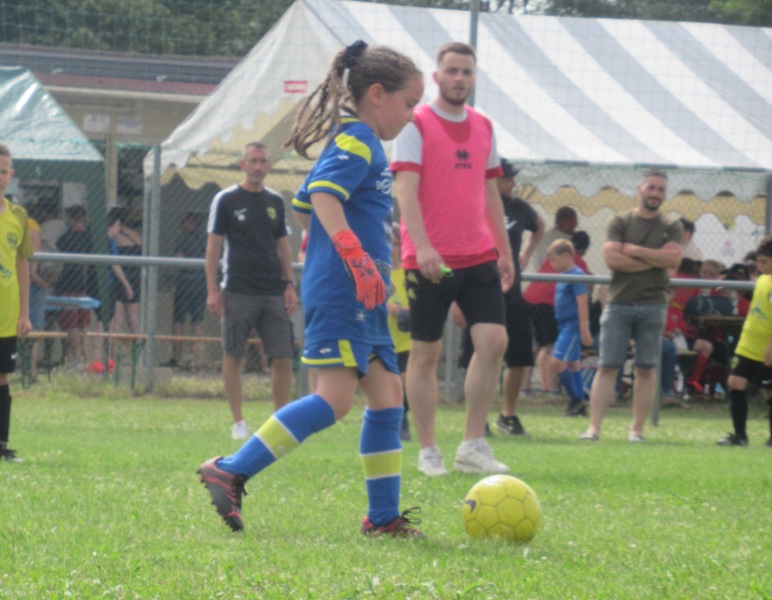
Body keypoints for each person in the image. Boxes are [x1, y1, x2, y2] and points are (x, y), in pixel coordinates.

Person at [198, 41, 426, 537]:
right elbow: (322, 196)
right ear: (377, 94)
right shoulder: (358, 140)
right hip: (345, 292)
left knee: (389, 397)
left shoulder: (359, 142)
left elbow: (303, 206)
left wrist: (358, 258)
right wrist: (354, 257)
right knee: (336, 400)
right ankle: (231, 469)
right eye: (409, 103)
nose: (412, 115)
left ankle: (382, 516)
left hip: (364, 295)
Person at [391, 41, 515, 476]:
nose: (459, 78)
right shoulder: (416, 123)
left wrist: (504, 250)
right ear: (437, 76)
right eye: (452, 70)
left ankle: (472, 445)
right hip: (428, 259)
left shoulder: (483, 125)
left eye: (466, 71)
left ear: (474, 77)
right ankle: (428, 450)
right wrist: (422, 246)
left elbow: (490, 193)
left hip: (478, 254)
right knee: (425, 353)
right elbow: (404, 190)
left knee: (494, 342)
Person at [581, 169, 683, 442]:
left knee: (646, 368)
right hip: (619, 303)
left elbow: (673, 260)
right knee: (607, 366)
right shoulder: (620, 221)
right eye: (651, 187)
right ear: (640, 189)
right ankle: (593, 429)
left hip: (654, 305)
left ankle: (637, 430)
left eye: (661, 189)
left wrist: (635, 251)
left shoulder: (672, 225)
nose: (655, 193)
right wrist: (655, 260)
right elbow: (613, 260)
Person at [205, 142, 298, 439]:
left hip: (272, 291)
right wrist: (212, 290)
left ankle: (279, 423)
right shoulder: (226, 199)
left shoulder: (275, 201)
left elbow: (283, 247)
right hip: (238, 291)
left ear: (269, 166)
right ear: (243, 164)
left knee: (282, 356)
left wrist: (289, 284)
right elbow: (213, 248)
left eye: (262, 161)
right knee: (234, 355)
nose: (257, 166)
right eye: (252, 161)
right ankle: (239, 423)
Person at [458, 158, 544, 436]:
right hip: (478, 290)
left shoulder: (519, 207)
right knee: (478, 356)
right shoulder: (472, 203)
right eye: (508, 178)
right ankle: (477, 419)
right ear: (492, 178)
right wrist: (457, 300)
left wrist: (527, 254)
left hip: (512, 292)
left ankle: (508, 415)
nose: (513, 183)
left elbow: (539, 225)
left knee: (519, 356)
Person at [717, 237, 772, 447]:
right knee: (735, 383)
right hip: (747, 344)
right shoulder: (763, 279)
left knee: (769, 391)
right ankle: (739, 436)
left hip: (766, 348)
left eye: (765, 261)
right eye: (759, 261)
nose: (761, 265)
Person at [0, 144, 33, 462]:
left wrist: (24, 313)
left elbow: (22, 265)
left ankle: (1, 444)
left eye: (3, 171)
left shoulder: (18, 216)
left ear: (10, 175)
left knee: (2, 377)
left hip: (6, 313)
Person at [547, 240, 593, 417]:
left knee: (556, 361)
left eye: (554, 260)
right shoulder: (564, 275)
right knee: (573, 364)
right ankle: (579, 403)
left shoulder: (577, 275)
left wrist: (584, 330)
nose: (552, 265)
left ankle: (575, 400)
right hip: (563, 325)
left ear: (566, 256)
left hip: (572, 326)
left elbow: (582, 302)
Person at [163, 212, 207, 370]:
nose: (181, 225)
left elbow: (179, 260)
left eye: (184, 222)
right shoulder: (205, 239)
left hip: (185, 282)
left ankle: (177, 358)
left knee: (178, 321)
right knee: (197, 321)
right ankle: (196, 359)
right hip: (202, 283)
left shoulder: (183, 238)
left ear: (191, 223)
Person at [55, 204, 93, 369]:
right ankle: (85, 356)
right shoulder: (90, 238)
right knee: (84, 323)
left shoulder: (65, 238)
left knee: (71, 323)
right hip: (85, 286)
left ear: (71, 219)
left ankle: (76, 357)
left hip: (67, 284)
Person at [386, 223, 413, 441]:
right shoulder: (378, 273)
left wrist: (408, 311)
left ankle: (403, 417)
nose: (391, 249)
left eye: (395, 244)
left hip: (405, 340)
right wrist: (388, 307)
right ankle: (388, 417)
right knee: (389, 384)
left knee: (406, 380)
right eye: (387, 244)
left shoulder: (406, 274)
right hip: (385, 339)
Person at [106, 207, 142, 337]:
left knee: (117, 319)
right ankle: (138, 348)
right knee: (133, 318)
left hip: (120, 278)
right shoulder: (135, 236)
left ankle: (115, 349)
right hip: (135, 277)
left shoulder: (114, 236)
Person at [528, 206, 578, 273]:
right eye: (574, 221)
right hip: (556, 275)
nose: (576, 224)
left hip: (540, 275)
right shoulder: (565, 241)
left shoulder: (542, 236)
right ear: (565, 221)